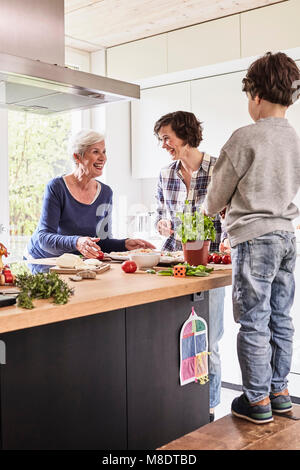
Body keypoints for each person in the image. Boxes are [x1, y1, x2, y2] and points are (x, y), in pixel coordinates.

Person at [203, 52, 300, 424]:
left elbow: (213, 201)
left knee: (254, 321)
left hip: (255, 239)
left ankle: (256, 401)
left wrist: (227, 203)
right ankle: (280, 393)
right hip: (286, 237)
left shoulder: (245, 137)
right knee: (281, 318)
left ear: (256, 95)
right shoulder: (294, 138)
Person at [153, 110, 227, 422]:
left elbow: (231, 215)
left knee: (207, 339)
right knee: (172, 339)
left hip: (210, 265)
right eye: (160, 140)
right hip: (172, 264)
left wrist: (228, 236)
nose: (163, 145)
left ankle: (207, 409)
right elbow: (159, 213)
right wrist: (162, 224)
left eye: (166, 138)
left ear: (185, 134)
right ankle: (178, 408)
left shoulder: (219, 168)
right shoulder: (166, 173)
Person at [26, 129, 155, 262]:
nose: (103, 158)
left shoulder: (105, 193)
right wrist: (77, 242)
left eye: (104, 152)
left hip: (74, 265)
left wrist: (124, 244)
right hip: (41, 262)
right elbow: (44, 239)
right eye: (95, 152)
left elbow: (102, 242)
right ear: (77, 156)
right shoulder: (57, 187)